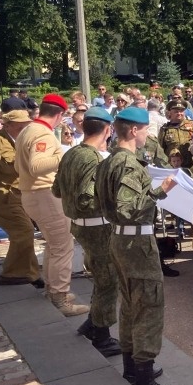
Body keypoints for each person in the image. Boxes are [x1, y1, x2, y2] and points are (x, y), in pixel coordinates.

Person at [95, 106, 182, 385]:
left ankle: (132, 368)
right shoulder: (128, 164)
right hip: (136, 243)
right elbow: (128, 208)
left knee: (131, 304)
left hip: (121, 239)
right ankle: (144, 377)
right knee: (148, 305)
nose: (147, 134)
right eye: (145, 129)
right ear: (134, 130)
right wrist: (161, 190)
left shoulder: (110, 160)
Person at [51, 107, 120, 358]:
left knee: (102, 277)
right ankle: (101, 335)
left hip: (81, 226)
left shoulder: (71, 153)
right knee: (108, 280)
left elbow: (56, 190)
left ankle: (93, 322)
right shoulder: (94, 159)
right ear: (107, 129)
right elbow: (86, 198)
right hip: (96, 226)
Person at [14, 93, 88, 317]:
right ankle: (60, 297)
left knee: (54, 245)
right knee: (62, 247)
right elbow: (37, 166)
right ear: (59, 114)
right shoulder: (41, 133)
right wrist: (66, 156)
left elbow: (20, 166)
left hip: (35, 194)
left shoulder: (28, 129)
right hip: (44, 194)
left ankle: (52, 289)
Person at [0, 105, 42, 287]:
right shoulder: (0, 143)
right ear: (7, 125)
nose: (24, 129)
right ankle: (12, 273)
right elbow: (12, 165)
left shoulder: (14, 138)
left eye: (26, 125)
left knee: (24, 233)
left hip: (13, 195)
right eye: (20, 126)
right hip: (2, 198)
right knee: (23, 231)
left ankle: (29, 272)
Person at [157, 100, 193, 171]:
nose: (179, 113)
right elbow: (160, 149)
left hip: (191, 166)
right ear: (170, 113)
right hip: (173, 168)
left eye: (181, 111)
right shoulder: (165, 129)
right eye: (176, 111)